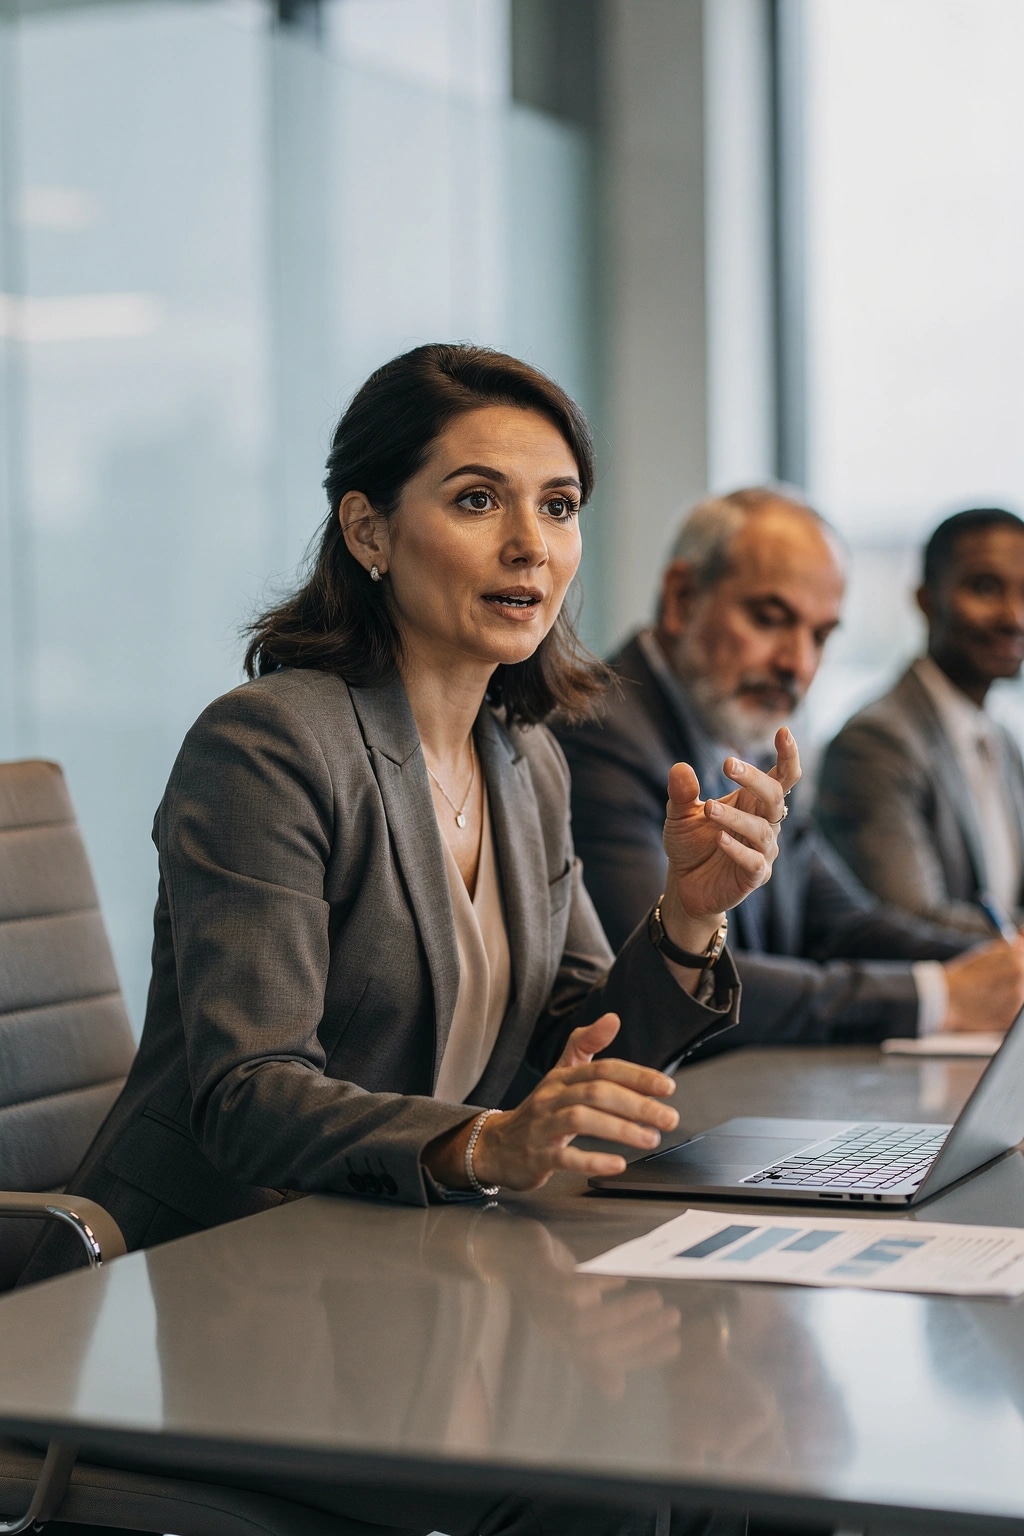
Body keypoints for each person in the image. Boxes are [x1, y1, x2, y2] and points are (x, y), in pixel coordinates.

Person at [21, 346, 797, 1536]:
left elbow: (577, 1043)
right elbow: (248, 1090)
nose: (530, 545)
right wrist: (485, 1144)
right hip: (222, 1283)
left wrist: (690, 913)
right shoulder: (269, 746)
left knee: (739, 1420)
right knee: (622, 1469)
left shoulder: (522, 754)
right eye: (478, 500)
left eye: (558, 507)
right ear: (369, 532)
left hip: (402, 1267)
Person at [554, 488, 1024, 1050]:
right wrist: (938, 996)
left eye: (820, 636)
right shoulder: (600, 734)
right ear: (681, 598)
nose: (797, 664)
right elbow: (680, 978)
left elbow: (844, 923)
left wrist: (1002, 965)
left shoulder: (748, 736)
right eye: (770, 619)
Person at [818, 506, 1024, 939]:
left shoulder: (1002, 742)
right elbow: (911, 923)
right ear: (926, 600)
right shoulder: (875, 742)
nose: (1013, 617)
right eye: (986, 588)